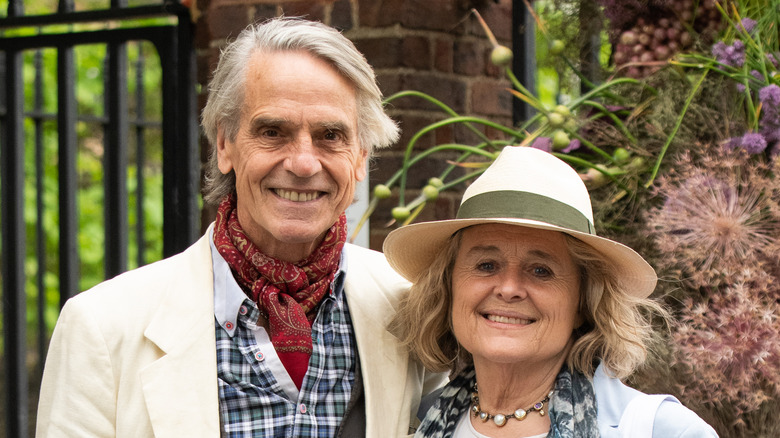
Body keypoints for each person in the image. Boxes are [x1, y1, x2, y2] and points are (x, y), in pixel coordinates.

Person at [36, 17, 444, 437]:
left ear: (360, 156)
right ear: (224, 144)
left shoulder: (410, 305)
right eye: (272, 132)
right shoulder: (103, 327)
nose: (303, 163)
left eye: (330, 135)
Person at [384, 146, 718, 438]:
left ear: (583, 303)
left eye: (541, 271)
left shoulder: (663, 431)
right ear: (449, 287)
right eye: (486, 265)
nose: (509, 288)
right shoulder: (417, 420)